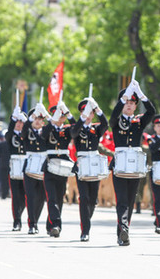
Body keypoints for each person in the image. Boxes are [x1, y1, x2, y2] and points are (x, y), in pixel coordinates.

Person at [109, 78, 156, 246]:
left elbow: (152, 112)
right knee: (122, 199)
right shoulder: (117, 121)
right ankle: (124, 230)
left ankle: (123, 231)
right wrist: (122, 99)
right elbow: (112, 118)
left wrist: (142, 95)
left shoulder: (139, 121)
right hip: (121, 164)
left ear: (136, 105)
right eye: (126, 102)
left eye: (132, 102)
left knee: (130, 200)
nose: (129, 105)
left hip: (135, 165)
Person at [71, 96, 108, 242]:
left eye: (90, 113)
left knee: (92, 199)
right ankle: (85, 230)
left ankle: (86, 219)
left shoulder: (95, 129)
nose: (88, 116)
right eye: (85, 112)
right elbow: (73, 133)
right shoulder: (77, 128)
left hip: (94, 164)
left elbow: (105, 124)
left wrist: (98, 109)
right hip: (81, 164)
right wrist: (81, 118)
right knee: (84, 198)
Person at [42, 100, 74, 237]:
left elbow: (77, 128)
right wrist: (51, 121)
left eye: (62, 115)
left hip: (63, 166)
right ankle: (56, 225)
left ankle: (51, 225)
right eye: (58, 115)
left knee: (59, 198)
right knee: (52, 198)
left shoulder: (66, 130)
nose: (60, 118)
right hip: (50, 165)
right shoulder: (48, 128)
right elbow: (43, 135)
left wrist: (69, 113)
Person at [22, 103, 49, 235]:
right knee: (31, 196)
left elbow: (52, 126)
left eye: (40, 119)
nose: (38, 121)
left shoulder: (46, 132)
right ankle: (32, 223)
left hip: (43, 166)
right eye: (35, 118)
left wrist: (47, 115)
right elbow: (23, 130)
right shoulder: (28, 132)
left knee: (41, 197)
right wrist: (30, 119)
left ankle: (36, 220)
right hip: (30, 167)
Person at [5, 108, 28, 231]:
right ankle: (17, 220)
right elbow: (8, 134)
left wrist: (28, 123)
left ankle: (20, 213)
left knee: (25, 196)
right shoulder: (11, 134)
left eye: (21, 121)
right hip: (14, 167)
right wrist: (13, 119)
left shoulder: (27, 134)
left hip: (26, 166)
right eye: (17, 121)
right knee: (16, 196)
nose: (19, 124)